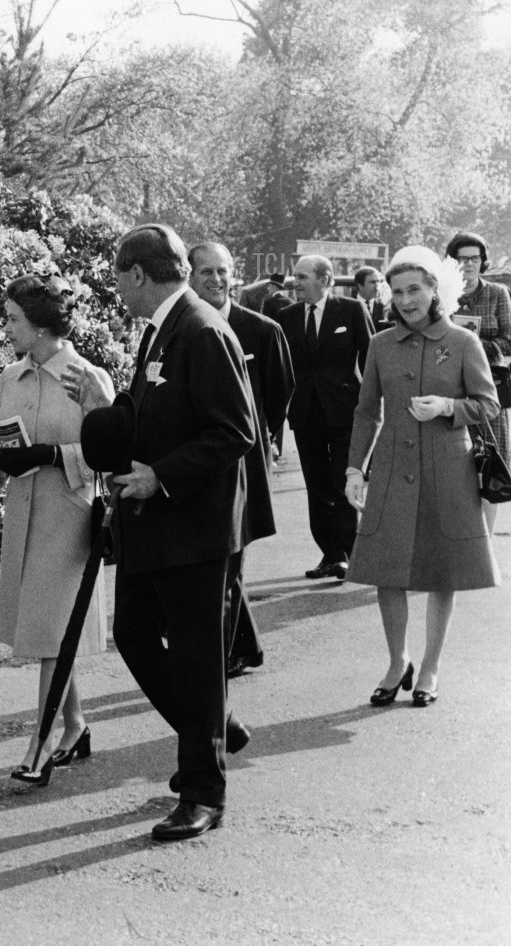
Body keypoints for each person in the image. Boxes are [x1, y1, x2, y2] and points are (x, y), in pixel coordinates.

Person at [65, 225, 255, 841]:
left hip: (195, 529)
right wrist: (107, 403)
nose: (116, 289)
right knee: (135, 634)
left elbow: (235, 432)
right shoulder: (161, 330)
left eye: (118, 278)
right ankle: (213, 730)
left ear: (139, 275)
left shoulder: (201, 330)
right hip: (160, 527)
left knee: (199, 661)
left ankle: (204, 791)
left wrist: (161, 478)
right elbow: (153, 417)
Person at [345, 246, 500, 707]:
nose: (406, 299)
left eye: (415, 289)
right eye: (397, 292)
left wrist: (449, 407)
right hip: (392, 469)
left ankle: (430, 667)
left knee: (442, 573)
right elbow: (366, 411)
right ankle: (398, 662)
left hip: (448, 470)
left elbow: (488, 404)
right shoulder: (379, 345)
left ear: (435, 289)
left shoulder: (463, 341)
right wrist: (355, 468)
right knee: (386, 572)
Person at [0, 271, 114, 786]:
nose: (8, 328)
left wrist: (53, 455)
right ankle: (76, 725)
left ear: (40, 326)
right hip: (23, 518)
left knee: (50, 632)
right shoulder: (8, 377)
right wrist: (3, 457)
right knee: (52, 629)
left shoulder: (89, 377)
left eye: (14, 319)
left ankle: (37, 746)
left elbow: (110, 454)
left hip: (69, 518)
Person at [188, 242, 295, 679]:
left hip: (244, 461)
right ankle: (242, 646)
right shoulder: (187, 327)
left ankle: (225, 654)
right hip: (197, 461)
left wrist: (266, 436)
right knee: (217, 559)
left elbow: (281, 389)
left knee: (232, 554)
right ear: (190, 276)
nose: (216, 280)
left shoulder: (263, 330)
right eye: (207, 272)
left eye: (223, 271)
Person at [276, 254, 373, 580]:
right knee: (316, 486)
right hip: (305, 414)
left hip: (346, 411)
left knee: (342, 479)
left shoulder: (350, 309)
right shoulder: (286, 316)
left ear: (325, 279)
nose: (296, 283)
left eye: (303, 277)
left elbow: (371, 357)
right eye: (296, 277)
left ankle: (345, 554)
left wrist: (373, 406)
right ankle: (329, 555)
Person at [445, 231, 511, 533]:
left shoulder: (497, 294)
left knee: (491, 467)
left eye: (474, 258)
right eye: (461, 258)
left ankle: (483, 547)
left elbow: (509, 339)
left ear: (483, 261)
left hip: (488, 390)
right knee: (454, 467)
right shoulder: (442, 292)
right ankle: (458, 543)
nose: (468, 264)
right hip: (450, 390)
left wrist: (476, 346)